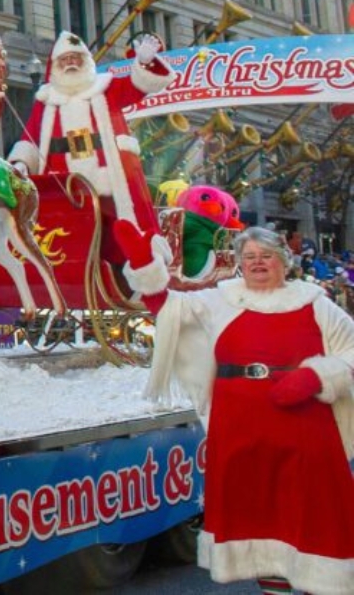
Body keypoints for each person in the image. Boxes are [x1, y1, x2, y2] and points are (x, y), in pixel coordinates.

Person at [122, 224, 354, 593]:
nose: (258, 263)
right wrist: (145, 269)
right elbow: (167, 310)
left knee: (311, 515)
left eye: (266, 256)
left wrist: (316, 376)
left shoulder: (315, 302)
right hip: (242, 428)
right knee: (260, 520)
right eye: (250, 258)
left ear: (284, 261)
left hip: (306, 429)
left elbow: (350, 351)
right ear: (239, 264)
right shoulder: (221, 300)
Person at [9, 31, 174, 268]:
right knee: (69, 237)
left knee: (123, 232)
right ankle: (75, 278)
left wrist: (144, 62)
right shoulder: (46, 100)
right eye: (64, 60)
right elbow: (31, 138)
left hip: (111, 178)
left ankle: (133, 279)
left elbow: (139, 86)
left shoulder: (106, 88)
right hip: (63, 185)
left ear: (86, 60)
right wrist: (22, 162)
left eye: (76, 58)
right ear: (55, 65)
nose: (70, 64)